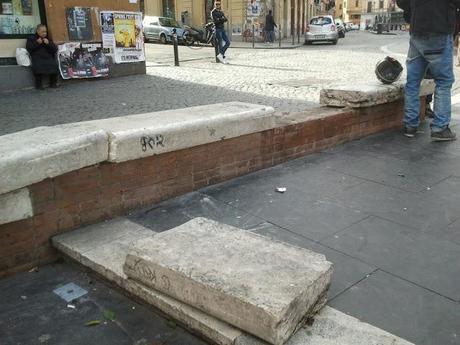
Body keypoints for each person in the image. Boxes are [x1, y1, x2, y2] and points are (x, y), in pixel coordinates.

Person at [396, 0, 459, 141]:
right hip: (440, 30)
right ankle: (440, 128)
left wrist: (414, 12)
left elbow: (401, 2)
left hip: (417, 31)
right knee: (443, 81)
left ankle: (410, 125)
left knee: (412, 82)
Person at [26, 24, 59, 90]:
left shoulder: (48, 39)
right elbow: (29, 48)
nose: (44, 33)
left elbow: (55, 49)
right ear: (38, 31)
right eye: (43, 32)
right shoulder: (32, 38)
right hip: (37, 57)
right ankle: (39, 85)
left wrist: (48, 44)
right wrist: (37, 43)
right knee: (38, 66)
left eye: (45, 32)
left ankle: (53, 83)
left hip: (48, 57)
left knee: (53, 65)